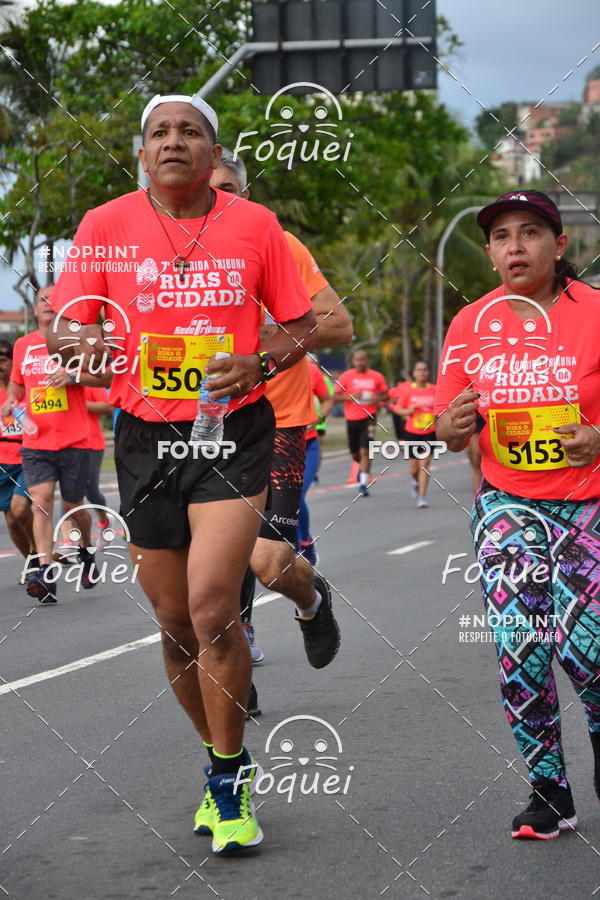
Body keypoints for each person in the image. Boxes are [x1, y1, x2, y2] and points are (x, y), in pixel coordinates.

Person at [48, 93, 322, 854]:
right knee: (173, 626)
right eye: (159, 132)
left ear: (212, 152)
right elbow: (69, 322)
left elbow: (304, 322)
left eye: (190, 131)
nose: (174, 141)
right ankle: (219, 762)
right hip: (144, 439)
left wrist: (262, 358)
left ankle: (231, 788)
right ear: (142, 153)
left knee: (210, 608)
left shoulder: (256, 226)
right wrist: (81, 347)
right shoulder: (105, 226)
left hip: (233, 431)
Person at [435, 189, 600, 840]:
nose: (515, 246)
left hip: (587, 500)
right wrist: (448, 425)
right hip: (506, 501)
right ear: (491, 253)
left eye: (530, 233)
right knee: (519, 646)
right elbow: (448, 426)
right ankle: (548, 794)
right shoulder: (470, 324)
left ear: (559, 247)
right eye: (502, 236)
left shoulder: (595, 314)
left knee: (585, 651)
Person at [209, 149, 351, 680]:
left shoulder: (278, 245)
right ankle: (235, 680)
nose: (217, 198)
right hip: (205, 428)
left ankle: (312, 601)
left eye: (227, 188)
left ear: (244, 194)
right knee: (214, 568)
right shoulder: (178, 256)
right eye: (209, 187)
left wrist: (263, 344)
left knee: (267, 563)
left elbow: (337, 326)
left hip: (281, 423)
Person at [2, 286, 101, 602]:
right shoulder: (23, 345)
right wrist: (9, 402)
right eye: (42, 300)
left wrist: (74, 378)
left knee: (73, 507)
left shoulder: (77, 341)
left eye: (55, 299)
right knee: (40, 501)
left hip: (75, 440)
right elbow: (16, 387)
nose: (48, 303)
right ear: (34, 310)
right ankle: (45, 573)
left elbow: (104, 379)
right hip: (36, 441)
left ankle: (86, 552)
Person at [0, 338, 35, 574]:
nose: (0, 365)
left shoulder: (25, 388)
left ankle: (38, 550)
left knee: (21, 509)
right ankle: (32, 563)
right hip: (2, 462)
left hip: (26, 459)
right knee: (11, 518)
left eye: (3, 360)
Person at [334, 349, 388, 497]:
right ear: (353, 361)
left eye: (362, 359)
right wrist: (350, 397)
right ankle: (360, 468)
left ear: (367, 360)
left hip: (370, 418)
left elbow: (386, 394)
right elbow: (334, 397)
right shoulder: (346, 376)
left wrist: (378, 399)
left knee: (366, 450)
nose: (360, 362)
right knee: (356, 453)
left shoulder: (376, 376)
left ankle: (363, 483)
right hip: (351, 419)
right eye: (357, 360)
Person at [297, 359, 334, 565]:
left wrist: (319, 418)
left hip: (307, 445)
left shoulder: (310, 369)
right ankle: (292, 544)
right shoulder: (267, 366)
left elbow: (327, 400)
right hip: (275, 446)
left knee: (297, 493)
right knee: (278, 499)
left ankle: (305, 542)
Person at [393, 361, 436, 508]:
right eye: (419, 370)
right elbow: (399, 409)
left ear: (428, 372)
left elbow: (441, 409)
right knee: (414, 468)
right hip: (412, 432)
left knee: (424, 464)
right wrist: (408, 411)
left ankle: (422, 497)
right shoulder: (407, 391)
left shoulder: (434, 390)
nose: (422, 372)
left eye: (425, 369)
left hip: (430, 432)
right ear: (414, 373)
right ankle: (415, 482)